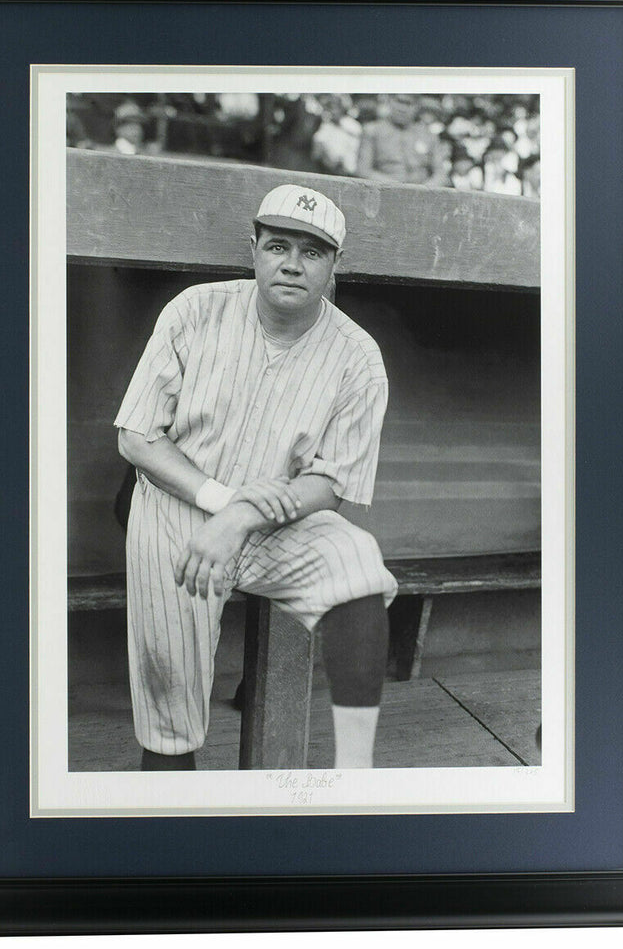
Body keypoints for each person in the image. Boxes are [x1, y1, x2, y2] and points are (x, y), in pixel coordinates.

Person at [115, 184, 398, 771]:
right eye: (277, 246)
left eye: (312, 252)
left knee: (360, 569)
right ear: (254, 248)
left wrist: (242, 515)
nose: (292, 264)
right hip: (178, 504)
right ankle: (169, 790)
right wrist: (223, 502)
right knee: (171, 698)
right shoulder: (196, 309)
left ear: (336, 264)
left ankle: (357, 771)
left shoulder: (358, 356)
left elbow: (332, 485)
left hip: (276, 517)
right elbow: (137, 437)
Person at [356, 94, 450, 186]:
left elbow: (440, 174)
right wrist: (397, 187)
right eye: (399, 102)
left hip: (422, 190)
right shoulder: (372, 131)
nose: (403, 109)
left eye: (409, 104)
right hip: (385, 190)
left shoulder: (428, 135)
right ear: (389, 101)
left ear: (417, 106)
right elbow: (363, 170)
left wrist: (423, 189)